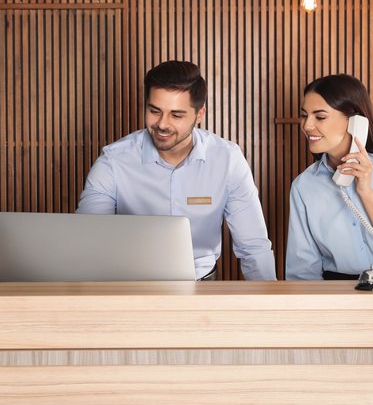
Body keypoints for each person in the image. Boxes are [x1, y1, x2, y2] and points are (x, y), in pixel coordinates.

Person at [77, 60, 276, 281]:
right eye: (155, 111)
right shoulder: (114, 161)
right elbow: (88, 239)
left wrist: (270, 307)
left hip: (202, 286)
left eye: (176, 115)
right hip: (129, 286)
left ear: (199, 115)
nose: (162, 124)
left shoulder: (227, 159)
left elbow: (253, 247)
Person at [286, 74, 373, 280]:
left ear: (355, 122)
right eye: (305, 115)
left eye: (320, 117)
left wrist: (365, 191)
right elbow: (302, 270)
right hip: (334, 293)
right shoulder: (304, 186)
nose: (307, 126)